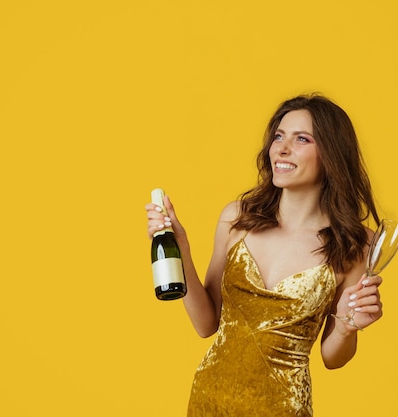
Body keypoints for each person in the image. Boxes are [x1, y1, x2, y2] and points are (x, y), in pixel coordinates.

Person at [145, 94, 383, 416]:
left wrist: (346, 328)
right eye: (278, 137)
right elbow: (206, 324)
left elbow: (332, 358)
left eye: (301, 139)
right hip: (209, 401)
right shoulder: (237, 219)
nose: (281, 149)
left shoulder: (355, 245)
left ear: (331, 154)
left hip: (282, 408)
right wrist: (182, 247)